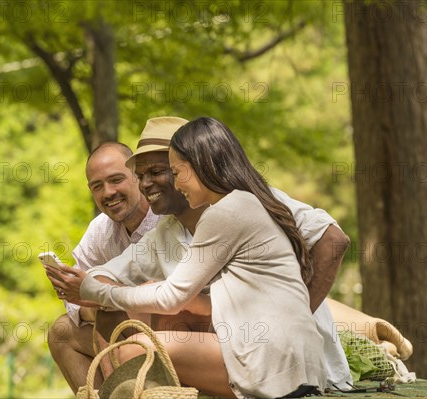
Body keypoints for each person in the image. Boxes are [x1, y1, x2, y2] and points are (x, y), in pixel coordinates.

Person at [55, 117, 350, 398]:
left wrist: (293, 319)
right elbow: (116, 275)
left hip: (277, 358)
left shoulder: (240, 205)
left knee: (140, 347)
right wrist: (95, 288)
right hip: (239, 347)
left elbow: (171, 297)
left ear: (195, 165)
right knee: (136, 325)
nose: (146, 185)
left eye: (162, 171)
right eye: (141, 175)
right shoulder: (168, 231)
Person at [46, 142, 160, 393]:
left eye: (115, 180)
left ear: (137, 177)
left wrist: (102, 300)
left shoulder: (166, 218)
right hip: (119, 330)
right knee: (61, 331)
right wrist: (94, 304)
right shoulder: (99, 230)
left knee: (109, 317)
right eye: (97, 186)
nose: (107, 192)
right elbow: (76, 300)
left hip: (171, 327)